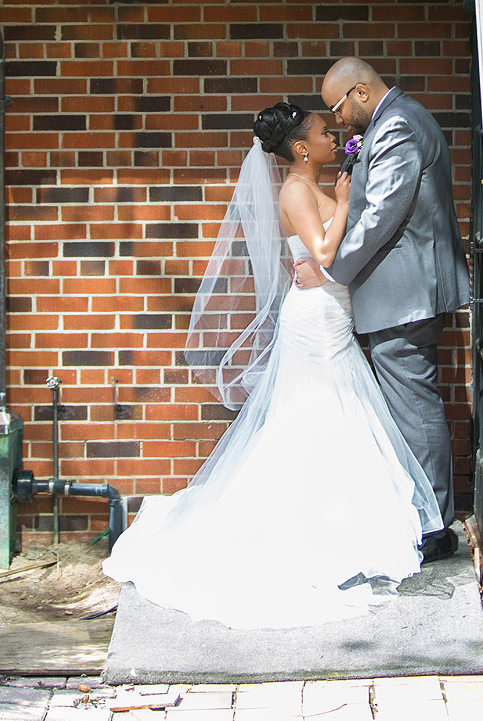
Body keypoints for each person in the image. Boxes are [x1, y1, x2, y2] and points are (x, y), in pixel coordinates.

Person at [102, 102, 444, 630]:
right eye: (325, 134)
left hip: (333, 313)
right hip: (317, 324)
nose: (335, 138)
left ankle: (338, 520)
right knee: (316, 418)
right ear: (302, 148)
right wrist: (350, 201)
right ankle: (306, 524)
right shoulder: (295, 190)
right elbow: (327, 252)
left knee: (337, 419)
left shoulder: (312, 187)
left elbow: (324, 257)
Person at [293, 59, 470, 564]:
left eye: (338, 107)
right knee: (408, 407)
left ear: (360, 92)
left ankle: (435, 527)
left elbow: (382, 215)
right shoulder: (397, 120)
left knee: (414, 407)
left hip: (405, 293)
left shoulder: (397, 126)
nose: (340, 119)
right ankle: (423, 516)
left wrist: (329, 273)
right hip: (401, 292)